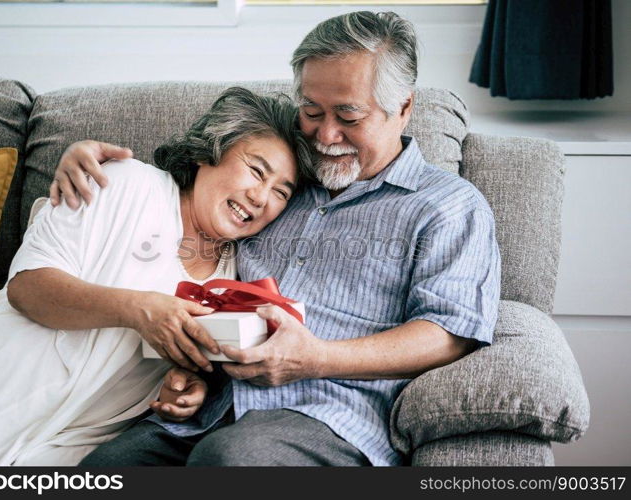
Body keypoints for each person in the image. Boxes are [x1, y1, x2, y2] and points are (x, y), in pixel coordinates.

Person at [52, 11, 502, 467]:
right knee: (104, 470)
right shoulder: (281, 184)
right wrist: (86, 156)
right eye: (311, 111)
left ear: (403, 108)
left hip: (328, 418)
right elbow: (188, 186)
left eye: (348, 115)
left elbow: (451, 334)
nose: (325, 136)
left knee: (230, 458)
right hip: (208, 410)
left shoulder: (447, 206)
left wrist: (317, 358)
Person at [0, 87, 313, 466]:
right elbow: (28, 288)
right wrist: (137, 309)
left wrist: (186, 388)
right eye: (256, 171)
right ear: (207, 152)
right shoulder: (125, 183)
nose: (261, 197)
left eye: (281, 192)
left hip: (70, 447)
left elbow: (186, 369)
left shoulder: (237, 279)